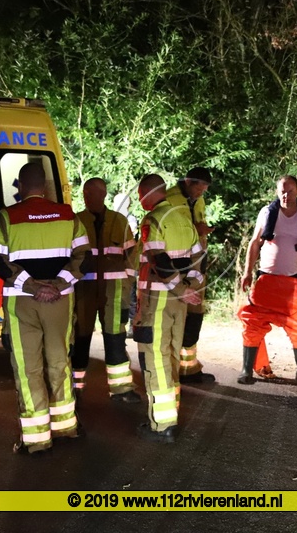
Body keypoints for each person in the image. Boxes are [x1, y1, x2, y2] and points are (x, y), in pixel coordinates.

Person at [0, 163, 89, 456]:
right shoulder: (68, 216)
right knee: (59, 361)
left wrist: (32, 286)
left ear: (20, 186)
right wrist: (58, 284)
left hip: (21, 301)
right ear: (44, 186)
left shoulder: (6, 217)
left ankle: (37, 440)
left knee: (28, 367)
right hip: (60, 301)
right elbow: (84, 257)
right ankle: (66, 427)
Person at [133, 174, 204, 443]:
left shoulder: (153, 220)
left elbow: (159, 260)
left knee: (156, 359)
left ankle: (162, 426)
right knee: (172, 357)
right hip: (179, 303)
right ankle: (169, 415)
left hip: (159, 300)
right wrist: (190, 287)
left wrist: (179, 288)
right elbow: (199, 257)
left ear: (147, 193)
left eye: (140, 194)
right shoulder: (183, 217)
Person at [236, 175, 297, 385]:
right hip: (266, 281)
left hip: (293, 282)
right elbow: (255, 243)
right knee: (253, 324)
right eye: (282, 191)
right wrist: (247, 272)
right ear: (277, 192)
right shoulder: (267, 212)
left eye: (290, 191)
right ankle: (247, 370)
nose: (286, 195)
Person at [71, 178, 140, 403]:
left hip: (115, 290)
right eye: (87, 193)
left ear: (103, 195)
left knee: (115, 338)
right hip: (83, 289)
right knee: (80, 337)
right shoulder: (76, 221)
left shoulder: (119, 221)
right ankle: (74, 386)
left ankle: (121, 389)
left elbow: (132, 255)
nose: (88, 197)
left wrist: (128, 281)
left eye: (92, 193)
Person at [166, 167, 216, 384]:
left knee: (195, 315)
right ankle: (173, 369)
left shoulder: (199, 200)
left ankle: (190, 368)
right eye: (198, 188)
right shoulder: (170, 200)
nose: (200, 193)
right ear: (188, 181)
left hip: (197, 266)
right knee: (178, 318)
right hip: (177, 268)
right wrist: (198, 229)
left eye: (204, 190)